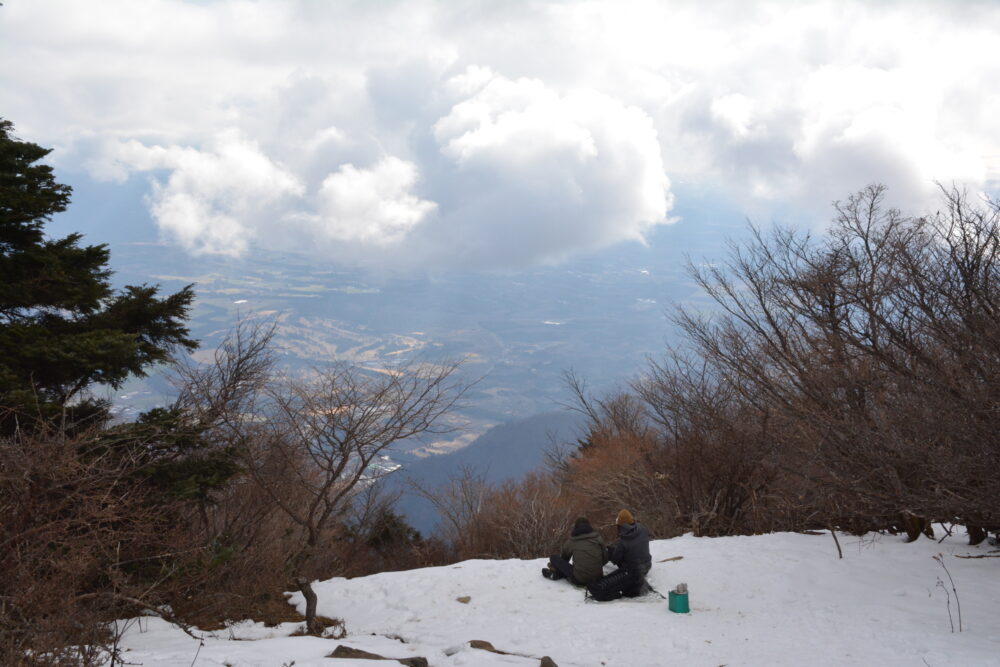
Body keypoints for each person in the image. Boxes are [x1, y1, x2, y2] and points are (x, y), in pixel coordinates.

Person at [586, 509, 652, 601]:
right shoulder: (642, 528)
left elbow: (616, 560)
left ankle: (597, 566)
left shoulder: (623, 541)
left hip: (634, 571)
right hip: (648, 565)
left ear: (620, 525)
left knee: (610, 550)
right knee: (619, 550)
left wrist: (611, 552)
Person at [541, 516, 607, 586]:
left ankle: (557, 574)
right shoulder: (598, 538)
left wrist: (554, 566)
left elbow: (564, 559)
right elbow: (605, 559)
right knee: (576, 570)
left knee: (553, 557)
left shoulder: (572, 541)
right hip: (598, 577)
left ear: (576, 527)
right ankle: (559, 574)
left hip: (580, 580)